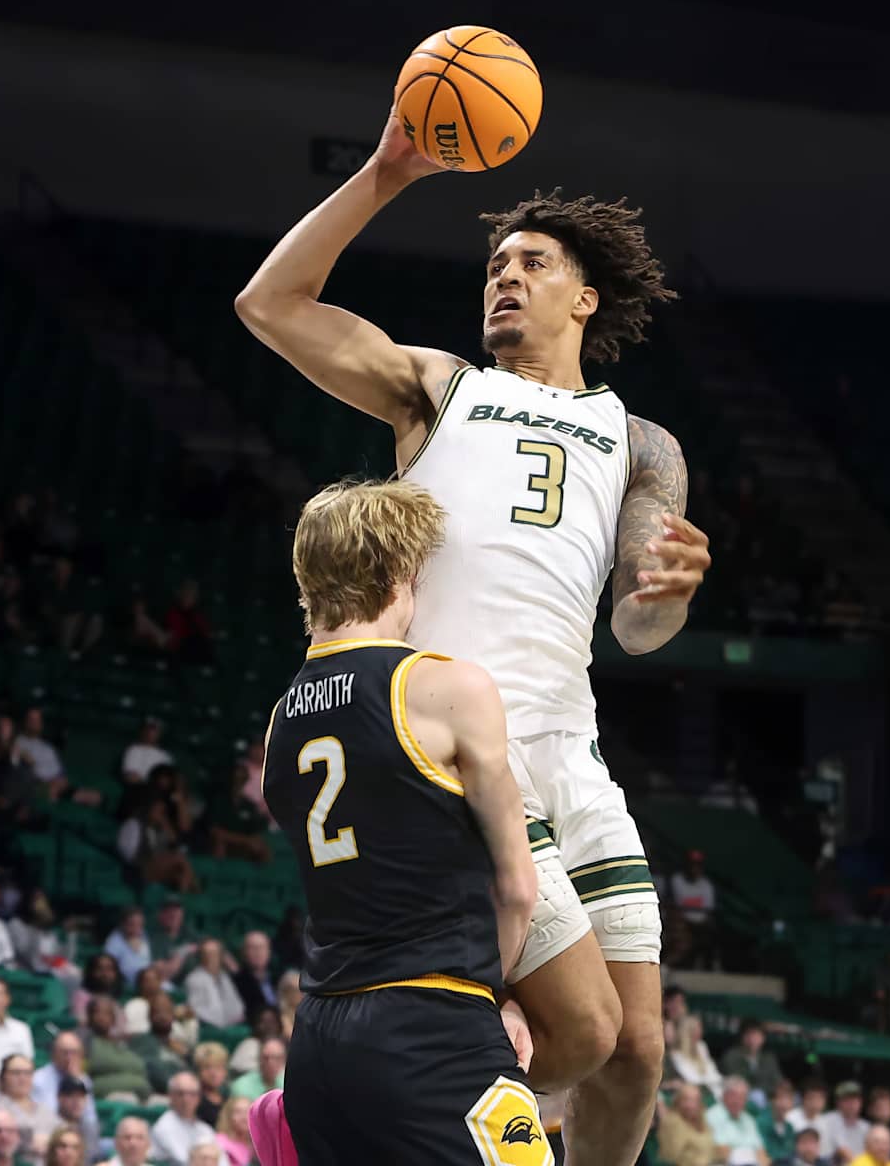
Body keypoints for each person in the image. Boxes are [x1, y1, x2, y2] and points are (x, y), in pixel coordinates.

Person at [238, 116, 715, 1164]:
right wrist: (386, 172)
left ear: (585, 297)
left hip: (570, 750)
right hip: (453, 745)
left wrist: (673, 589)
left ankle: (368, 1108)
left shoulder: (645, 444)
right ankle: (346, 1114)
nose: (505, 277)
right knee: (578, 1029)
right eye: (496, 263)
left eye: (533, 263)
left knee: (637, 1048)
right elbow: (269, 306)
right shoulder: (441, 390)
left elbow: (638, 625)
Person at [256, 480, 539, 1165]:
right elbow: (518, 888)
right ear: (399, 573)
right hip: (429, 1025)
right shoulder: (447, 689)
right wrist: (490, 1005)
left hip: (320, 1040)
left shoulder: (280, 721)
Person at [151, 1073, 217, 1165]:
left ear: (198, 1098)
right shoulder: (164, 1127)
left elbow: (221, 1160)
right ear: (171, 1096)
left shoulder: (205, 1129)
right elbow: (185, 1161)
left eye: (192, 1094)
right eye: (180, 1094)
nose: (186, 1099)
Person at [707, 1075, 768, 1164]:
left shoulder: (749, 1120)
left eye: (743, 1097)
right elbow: (721, 1151)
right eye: (734, 1096)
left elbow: (760, 1150)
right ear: (724, 1096)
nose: (739, 1101)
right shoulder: (713, 1116)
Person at [720, 1018, 785, 1102]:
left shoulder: (769, 1058)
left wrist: (766, 1091)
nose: (752, 1039)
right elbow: (736, 1081)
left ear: (763, 1038)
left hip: (767, 1097)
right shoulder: (731, 1056)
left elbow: (777, 1082)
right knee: (756, 1096)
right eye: (748, 1035)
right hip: (739, 1098)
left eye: (756, 1035)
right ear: (742, 1037)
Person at [184, 941, 244, 1030]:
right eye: (207, 954)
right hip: (208, 1028)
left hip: (231, 1025)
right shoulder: (194, 979)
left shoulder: (225, 977)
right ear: (201, 957)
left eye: (215, 954)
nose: (211, 958)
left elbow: (236, 1005)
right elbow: (196, 1010)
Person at [655, 1083, 717, 1166]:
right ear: (678, 1101)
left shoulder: (702, 1120)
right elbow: (670, 1156)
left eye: (695, 1100)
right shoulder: (673, 1122)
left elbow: (711, 1150)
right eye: (686, 1100)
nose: (691, 1105)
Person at [818, 1082, 869, 1165]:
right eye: (846, 1100)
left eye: (855, 1099)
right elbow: (843, 1152)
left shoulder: (866, 1127)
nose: (851, 1103)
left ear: (861, 1102)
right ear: (838, 1102)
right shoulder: (827, 1120)